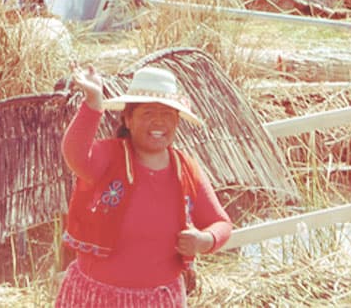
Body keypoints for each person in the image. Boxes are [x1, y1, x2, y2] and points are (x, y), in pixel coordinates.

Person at [57, 65, 232, 307]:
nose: (159, 122)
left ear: (177, 122)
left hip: (160, 300)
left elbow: (221, 223)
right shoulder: (108, 157)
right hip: (97, 298)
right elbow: (75, 154)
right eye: (148, 113)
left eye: (168, 114)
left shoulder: (186, 170)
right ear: (128, 119)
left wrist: (205, 240)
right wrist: (93, 102)